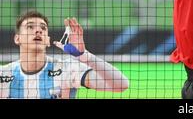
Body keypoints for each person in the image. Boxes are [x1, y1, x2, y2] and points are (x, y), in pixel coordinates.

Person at [0, 11, 129, 99]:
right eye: (30, 27)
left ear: (47, 40)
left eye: (43, 28)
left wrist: (85, 56)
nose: (38, 30)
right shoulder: (3, 75)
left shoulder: (67, 68)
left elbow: (121, 85)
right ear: (17, 39)